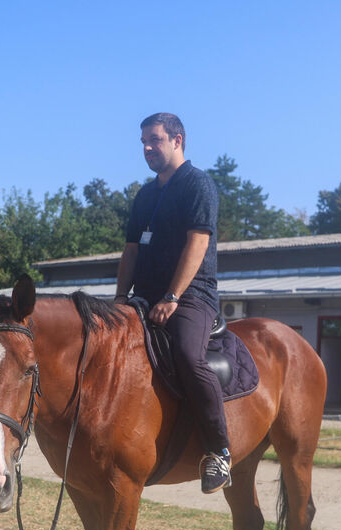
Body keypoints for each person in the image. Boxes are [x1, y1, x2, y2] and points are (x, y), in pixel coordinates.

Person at [114, 113, 231, 494]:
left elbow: (198, 243)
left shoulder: (198, 185)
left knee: (186, 353)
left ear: (177, 141)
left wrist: (173, 296)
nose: (147, 148)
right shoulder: (145, 195)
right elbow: (131, 249)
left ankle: (218, 451)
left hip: (191, 294)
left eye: (155, 140)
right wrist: (118, 299)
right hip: (144, 296)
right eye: (143, 141)